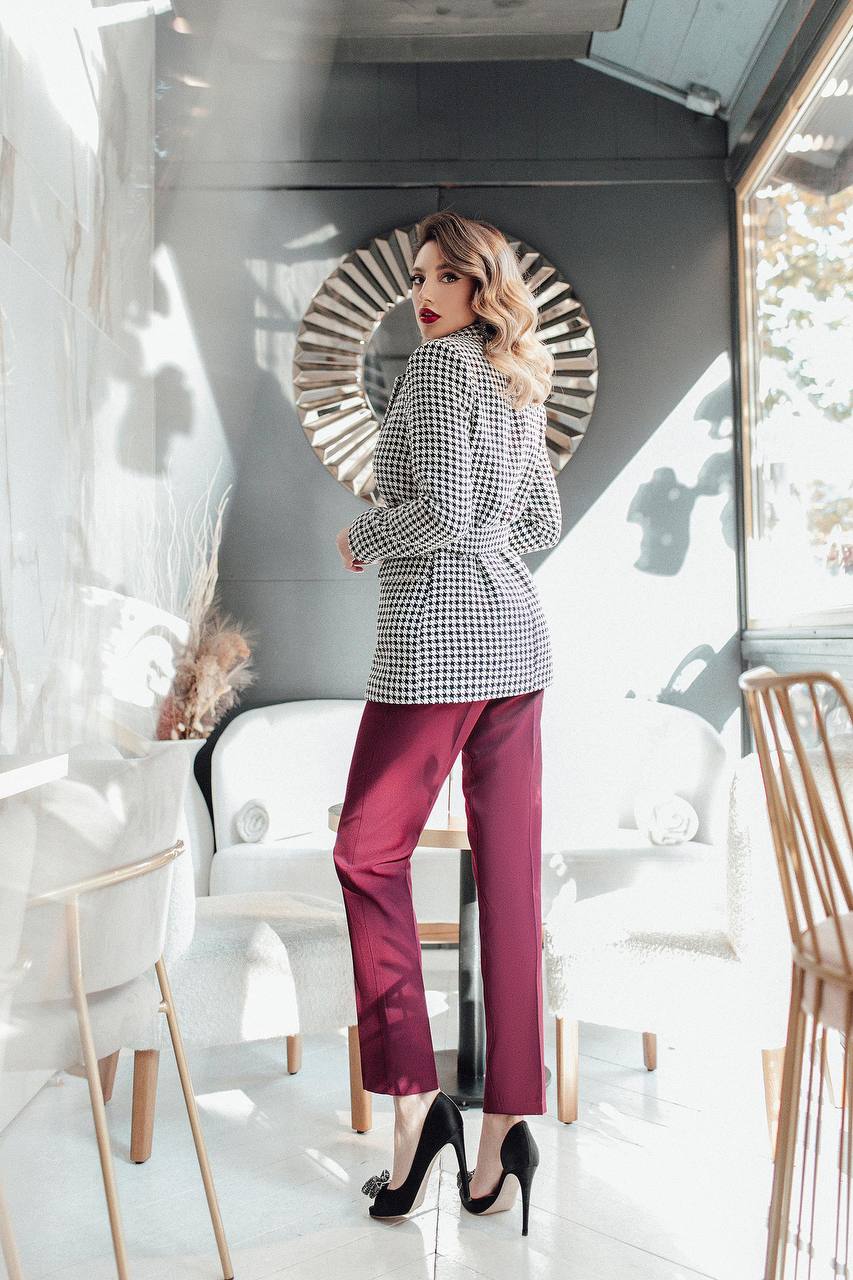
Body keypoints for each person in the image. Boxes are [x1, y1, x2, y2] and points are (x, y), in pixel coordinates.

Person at [333, 209, 562, 1237]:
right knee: (508, 883)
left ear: (480, 284)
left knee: (363, 854)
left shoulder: (433, 372)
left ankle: (417, 1101)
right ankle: (500, 1134)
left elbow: (452, 517)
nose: (422, 293)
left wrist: (362, 533)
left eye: (441, 275)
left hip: (436, 650)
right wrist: (488, 571)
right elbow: (535, 526)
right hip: (518, 646)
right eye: (417, 275)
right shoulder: (515, 380)